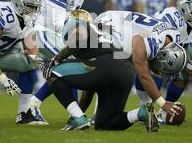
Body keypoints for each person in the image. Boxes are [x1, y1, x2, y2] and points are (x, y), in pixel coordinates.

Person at [26, 0, 144, 122]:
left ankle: (63, 111)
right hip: (42, 32)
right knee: (67, 66)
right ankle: (41, 107)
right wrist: (84, 22)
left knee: (74, 66)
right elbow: (58, 23)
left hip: (60, 32)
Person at [45, 9, 184, 131]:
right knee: (105, 123)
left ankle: (78, 118)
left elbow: (80, 37)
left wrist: (56, 59)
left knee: (52, 71)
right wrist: (79, 113)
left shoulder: (81, 27)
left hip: (107, 62)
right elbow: (91, 85)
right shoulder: (168, 36)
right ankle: (139, 113)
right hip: (125, 72)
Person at [94, 10, 188, 118]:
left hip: (115, 21)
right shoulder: (153, 43)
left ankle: (93, 114)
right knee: (114, 74)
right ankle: (96, 115)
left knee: (116, 72)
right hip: (108, 24)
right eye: (163, 67)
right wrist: (163, 103)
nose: (161, 71)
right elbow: (144, 76)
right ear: (164, 55)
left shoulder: (173, 36)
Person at [139, 0, 192, 124]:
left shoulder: (188, 24)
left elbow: (183, 50)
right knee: (159, 67)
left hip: (162, 49)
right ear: (185, 10)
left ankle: (164, 112)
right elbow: (164, 49)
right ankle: (144, 108)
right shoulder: (172, 18)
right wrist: (189, 66)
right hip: (146, 46)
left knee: (184, 75)